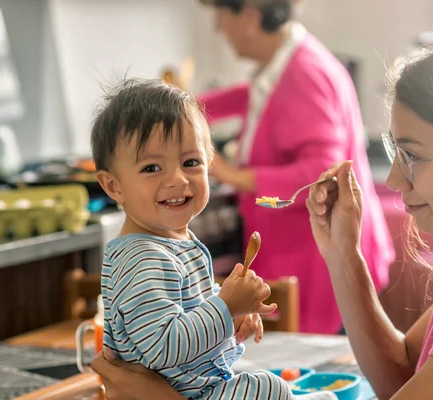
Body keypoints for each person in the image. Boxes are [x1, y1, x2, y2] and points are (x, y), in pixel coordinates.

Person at [91, 36, 433, 399]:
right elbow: (401, 375)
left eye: (413, 156)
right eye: (394, 152)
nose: (396, 180)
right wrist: (343, 254)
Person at [91, 79, 336, 399]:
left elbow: (189, 316)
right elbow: (163, 349)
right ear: (113, 186)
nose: (177, 179)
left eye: (190, 162)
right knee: (265, 387)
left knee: (262, 384)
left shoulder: (173, 243)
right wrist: (225, 307)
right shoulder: (142, 258)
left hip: (198, 388)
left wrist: (231, 314)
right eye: (152, 167)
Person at [198, 0, 394, 334]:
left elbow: (321, 172)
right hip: (305, 257)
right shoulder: (288, 63)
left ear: (249, 16)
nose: (219, 28)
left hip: (316, 264)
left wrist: (229, 173)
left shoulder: (304, 73)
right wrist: (186, 106)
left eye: (222, 15)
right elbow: (256, 96)